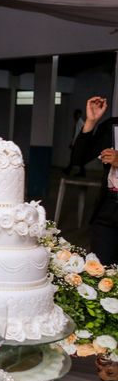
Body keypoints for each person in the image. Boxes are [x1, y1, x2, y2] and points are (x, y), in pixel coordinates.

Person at [72, 96, 118, 265]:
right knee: (99, 269)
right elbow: (79, 158)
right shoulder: (112, 126)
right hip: (108, 208)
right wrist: (91, 121)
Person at [63, 108, 87, 177]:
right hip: (78, 143)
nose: (75, 116)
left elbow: (77, 134)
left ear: (79, 114)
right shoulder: (78, 122)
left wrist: (73, 143)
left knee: (75, 157)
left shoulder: (80, 123)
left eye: (76, 114)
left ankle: (70, 170)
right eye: (75, 114)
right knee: (76, 157)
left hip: (78, 144)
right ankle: (70, 170)